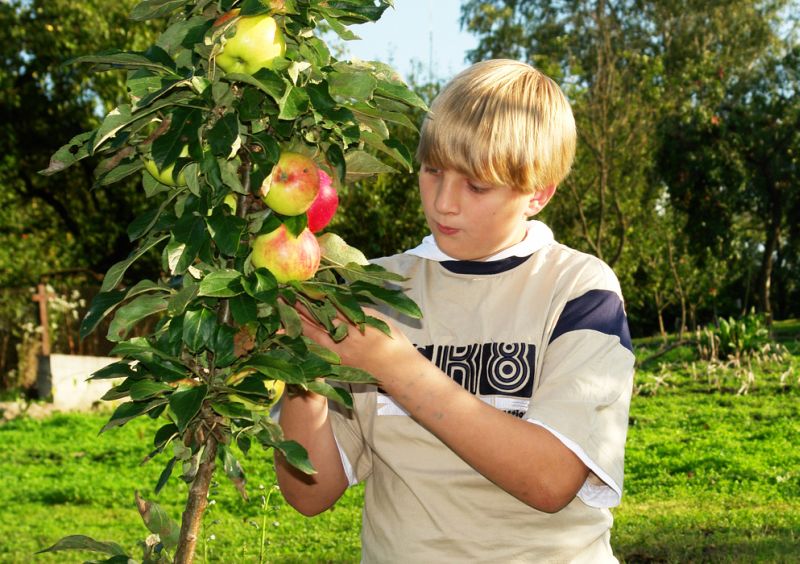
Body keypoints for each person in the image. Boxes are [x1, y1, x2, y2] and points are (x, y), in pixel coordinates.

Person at [275, 59, 635, 563]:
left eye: (477, 186)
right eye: (433, 171)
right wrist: (300, 364)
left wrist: (397, 369)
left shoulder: (578, 290)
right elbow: (310, 493)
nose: (443, 203)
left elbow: (551, 479)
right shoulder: (373, 289)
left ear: (538, 193)